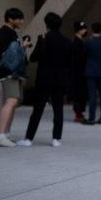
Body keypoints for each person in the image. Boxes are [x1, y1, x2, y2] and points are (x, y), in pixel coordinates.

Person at [17, 12, 72, 148]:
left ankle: (29, 138)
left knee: (38, 109)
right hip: (60, 80)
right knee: (58, 109)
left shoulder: (43, 39)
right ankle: (56, 138)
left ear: (46, 24)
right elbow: (70, 62)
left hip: (44, 79)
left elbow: (34, 58)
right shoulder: (67, 41)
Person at [0, 7, 26, 147]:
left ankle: (5, 133)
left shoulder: (9, 32)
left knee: (13, 102)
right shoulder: (5, 33)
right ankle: (0, 135)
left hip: (11, 72)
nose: (21, 21)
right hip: (8, 72)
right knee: (11, 101)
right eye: (19, 18)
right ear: (10, 19)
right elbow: (7, 55)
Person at [83, 22, 101, 125]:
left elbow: (84, 56)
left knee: (92, 95)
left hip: (90, 70)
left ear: (92, 30)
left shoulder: (88, 43)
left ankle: (91, 118)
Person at [71, 21, 88, 123]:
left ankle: (80, 112)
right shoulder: (76, 43)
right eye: (84, 29)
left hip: (81, 72)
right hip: (78, 72)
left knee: (82, 93)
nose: (85, 30)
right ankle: (78, 113)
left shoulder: (81, 42)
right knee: (79, 93)